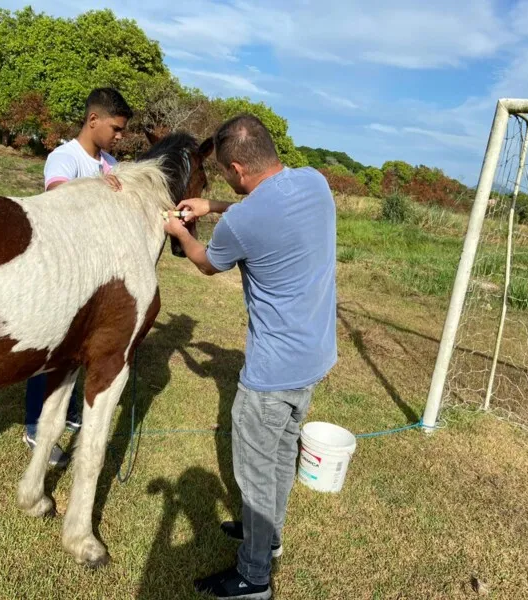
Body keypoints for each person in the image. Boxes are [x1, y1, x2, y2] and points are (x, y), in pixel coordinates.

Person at [163, 114, 337, 599]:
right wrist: (214, 204)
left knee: (256, 477)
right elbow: (263, 210)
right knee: (282, 454)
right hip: (314, 358)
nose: (226, 184)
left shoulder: (243, 220)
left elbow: (205, 262)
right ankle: (270, 537)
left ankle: (253, 578)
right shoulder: (314, 183)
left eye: (225, 177)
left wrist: (183, 232)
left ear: (238, 168)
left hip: (271, 374)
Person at [24, 87, 133, 468]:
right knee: (51, 347)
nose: (119, 136)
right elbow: (57, 195)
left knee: (79, 345)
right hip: (62, 268)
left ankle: (68, 408)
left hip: (95, 275)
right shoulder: (64, 157)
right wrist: (102, 190)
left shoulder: (109, 163)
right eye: (116, 129)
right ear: (93, 121)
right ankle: (35, 423)